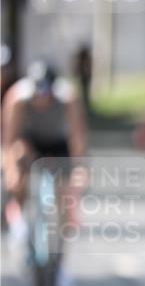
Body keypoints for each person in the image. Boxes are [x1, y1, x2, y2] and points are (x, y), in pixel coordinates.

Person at [2, 61, 87, 211]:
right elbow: (9, 139)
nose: (41, 98)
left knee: (67, 191)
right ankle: (20, 220)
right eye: (37, 93)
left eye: (45, 93)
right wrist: (11, 169)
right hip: (31, 141)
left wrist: (79, 167)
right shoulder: (17, 98)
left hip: (59, 142)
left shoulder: (68, 98)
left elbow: (77, 137)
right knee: (18, 161)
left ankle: (63, 227)